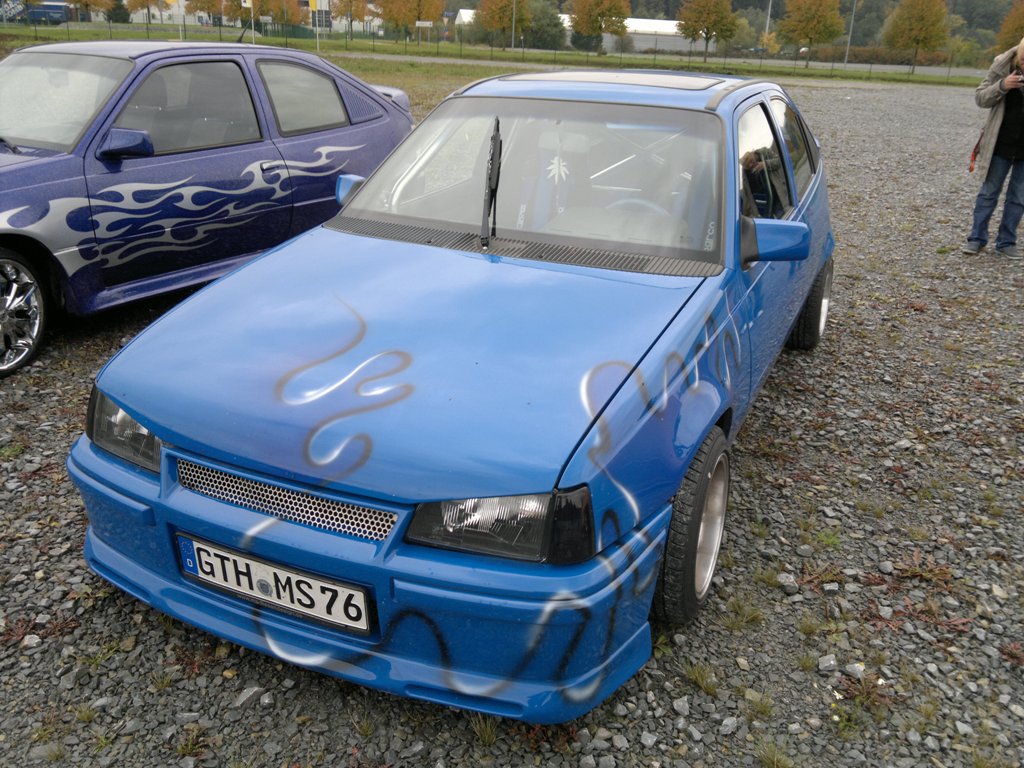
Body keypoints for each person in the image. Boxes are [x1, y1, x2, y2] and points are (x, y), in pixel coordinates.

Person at [964, 38, 1024, 259]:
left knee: (1018, 198)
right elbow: (980, 97)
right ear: (1018, 54)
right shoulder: (1001, 65)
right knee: (988, 193)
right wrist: (1003, 86)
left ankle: (1007, 242)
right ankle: (976, 239)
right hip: (1000, 144)